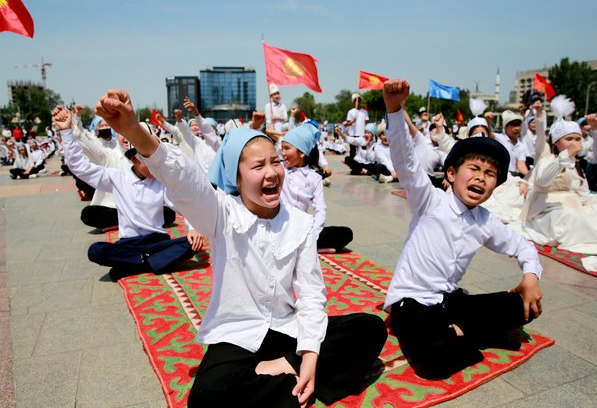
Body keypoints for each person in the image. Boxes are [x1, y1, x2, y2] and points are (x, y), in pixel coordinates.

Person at [94, 89, 387, 407]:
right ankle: (291, 389)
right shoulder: (221, 212)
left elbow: (313, 295)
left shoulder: (300, 223)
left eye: (276, 162)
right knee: (206, 397)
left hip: (288, 327)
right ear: (236, 176)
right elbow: (182, 177)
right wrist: (135, 130)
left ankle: (288, 374)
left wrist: (306, 356)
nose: (272, 172)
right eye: (258, 166)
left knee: (369, 328)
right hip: (237, 332)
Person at [382, 79, 543, 380]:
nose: (481, 178)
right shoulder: (429, 200)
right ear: (452, 174)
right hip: (412, 305)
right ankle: (468, 337)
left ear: (495, 184)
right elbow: (405, 162)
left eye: (490, 173)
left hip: (449, 302)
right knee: (433, 361)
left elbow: (523, 246)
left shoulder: (485, 220)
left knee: (525, 307)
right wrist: (394, 109)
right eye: (474, 169)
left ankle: (459, 332)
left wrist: (531, 276)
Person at [52, 106, 202, 281]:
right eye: (148, 161)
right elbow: (79, 166)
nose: (155, 166)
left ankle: (134, 265)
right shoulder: (117, 177)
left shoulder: (161, 182)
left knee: (193, 244)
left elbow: (183, 205)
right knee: (96, 250)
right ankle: (149, 263)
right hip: (129, 244)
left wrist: (194, 228)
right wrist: (66, 132)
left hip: (158, 241)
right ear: (134, 158)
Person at [521, 96, 597, 255]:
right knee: (569, 216)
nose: (575, 143)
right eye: (569, 139)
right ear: (556, 143)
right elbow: (542, 180)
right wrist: (564, 156)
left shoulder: (577, 166)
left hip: (576, 207)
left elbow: (585, 196)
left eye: (577, 139)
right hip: (548, 211)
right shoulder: (548, 160)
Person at [280, 123, 353, 252]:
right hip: (279, 227)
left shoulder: (315, 178)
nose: (283, 153)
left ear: (302, 152)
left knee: (346, 233)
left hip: (302, 229)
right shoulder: (279, 169)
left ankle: (307, 245)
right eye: (282, 148)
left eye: (287, 148)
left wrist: (313, 235)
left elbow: (320, 210)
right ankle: (309, 247)